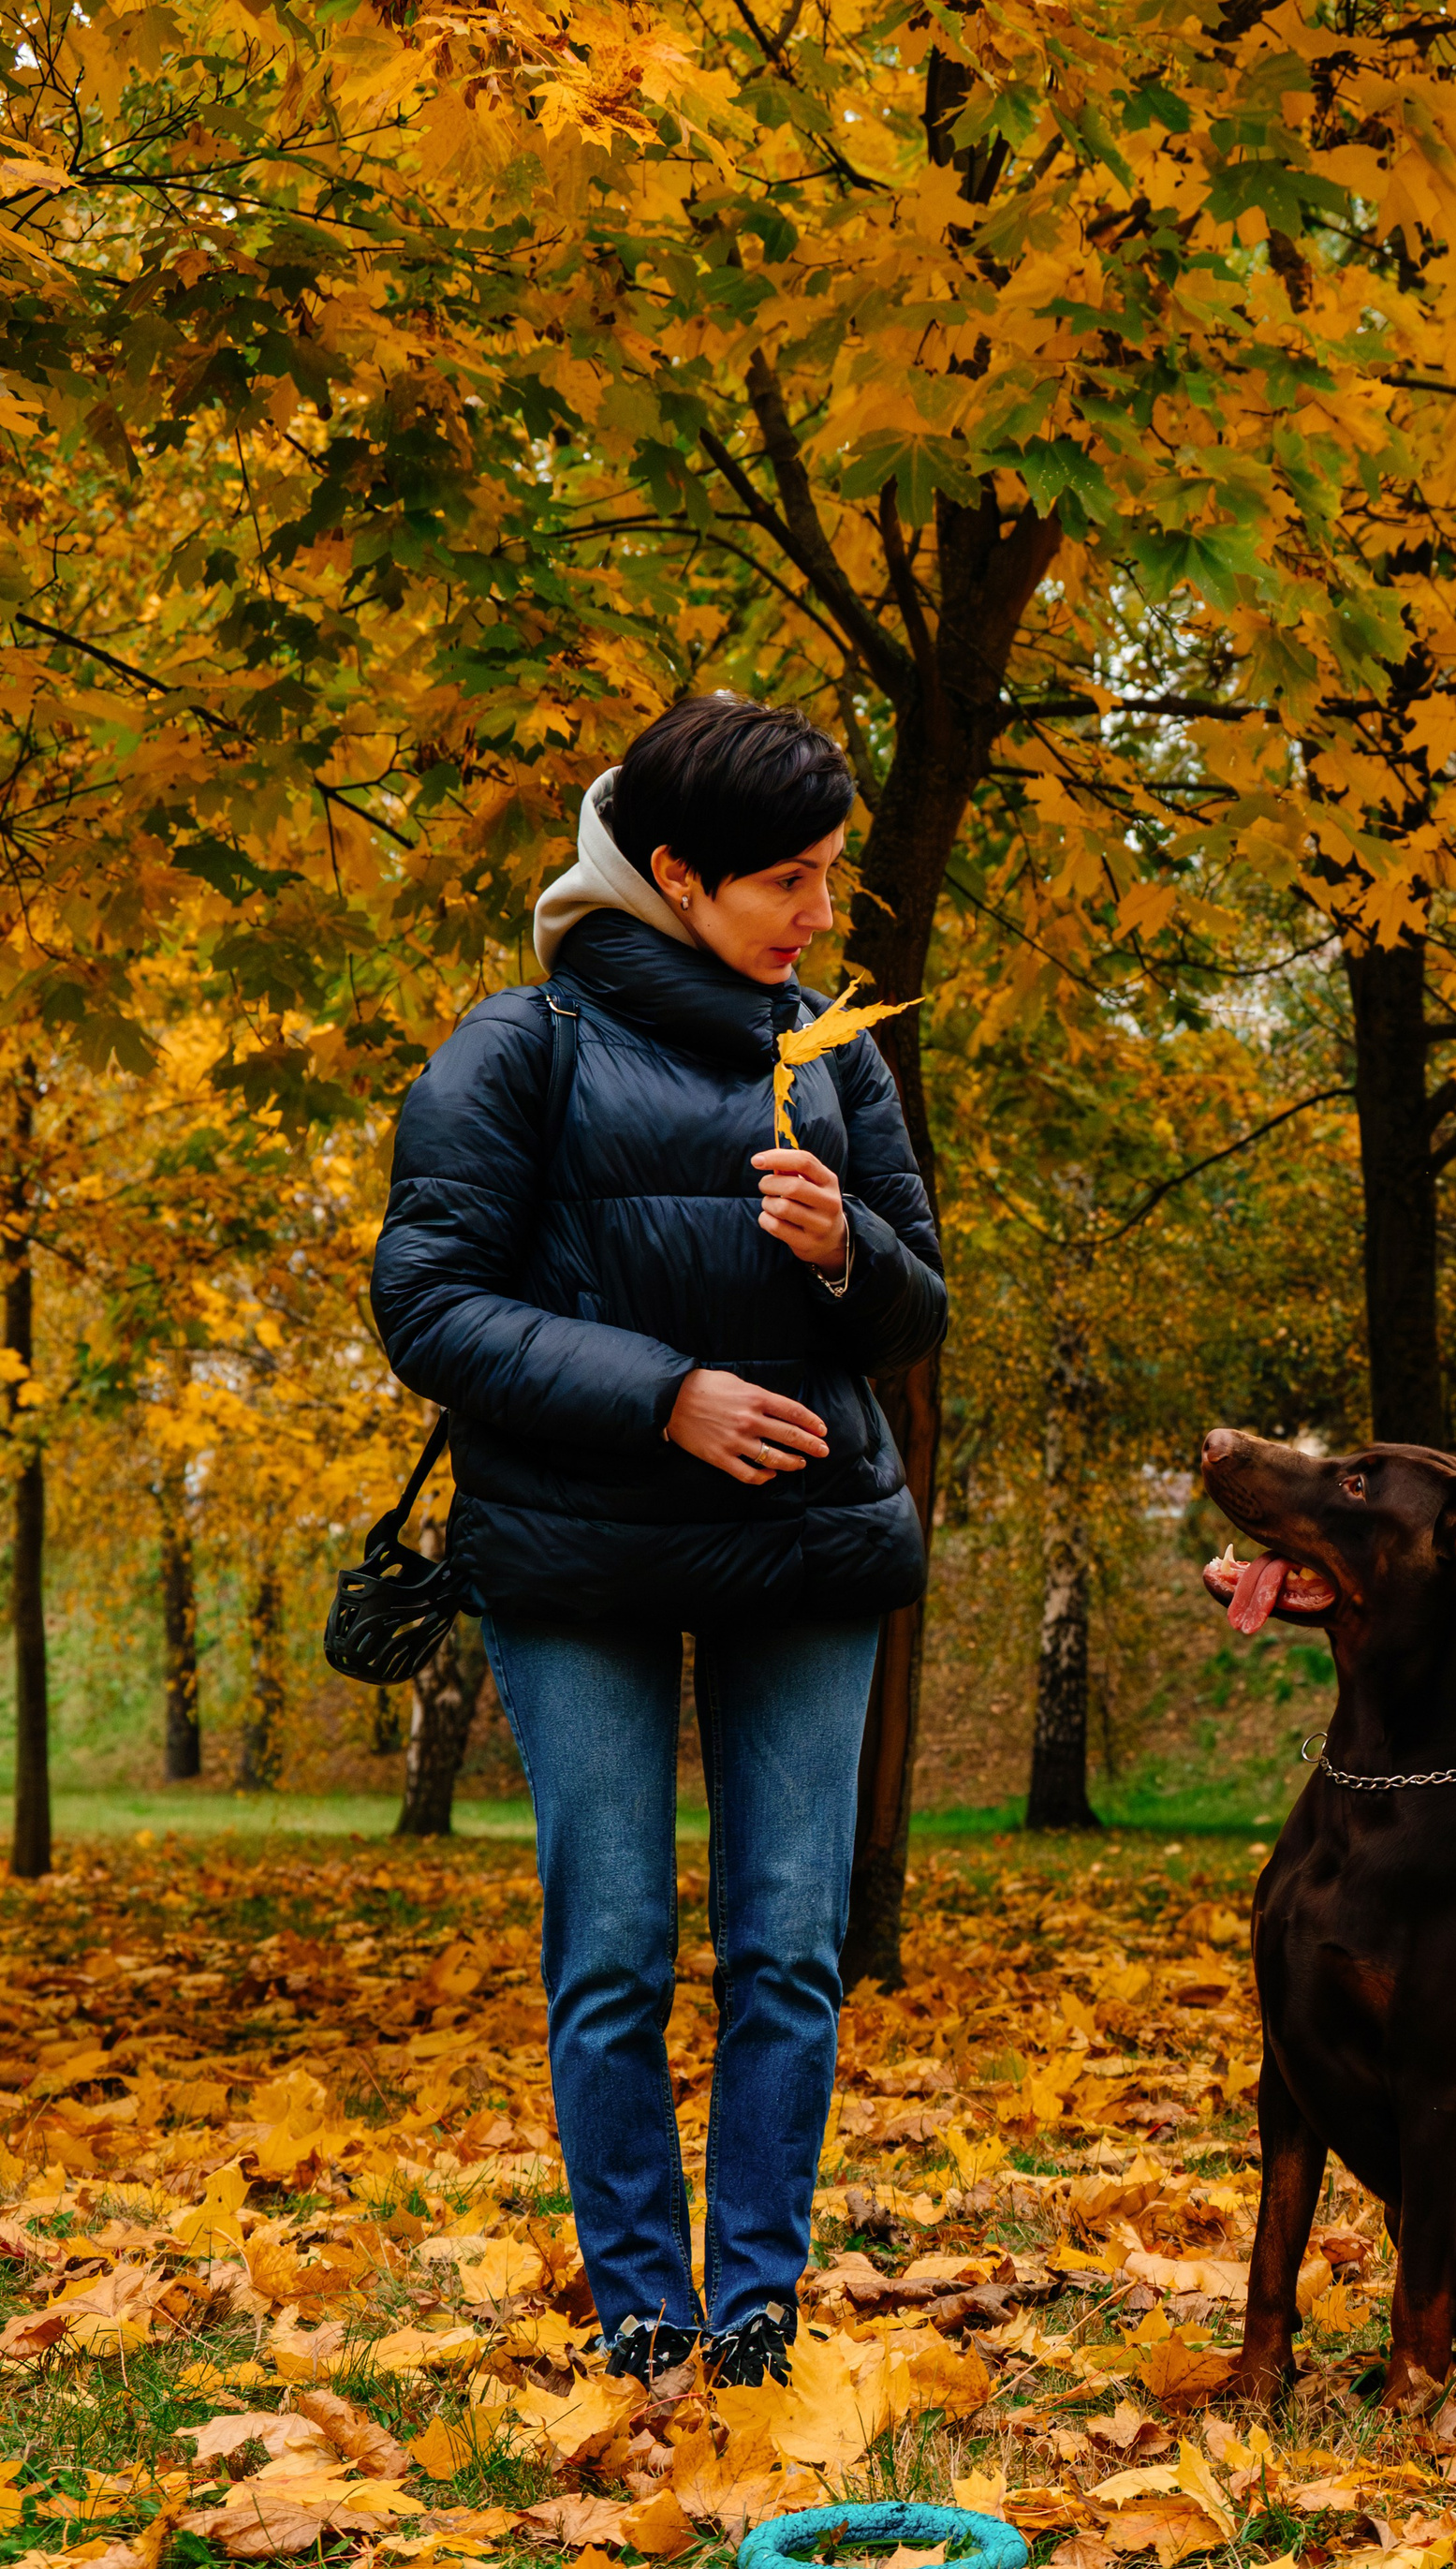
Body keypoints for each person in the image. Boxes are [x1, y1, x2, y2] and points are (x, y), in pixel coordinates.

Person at [371, 693, 946, 2387]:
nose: (822, 916)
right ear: (676, 873)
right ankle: (641, 2308)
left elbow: (915, 1304)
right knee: (611, 1944)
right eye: (790, 880)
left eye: (833, 877)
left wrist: (848, 1254)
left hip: (811, 1549)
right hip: (578, 1557)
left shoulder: (833, 1049)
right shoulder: (518, 1047)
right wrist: (666, 1392)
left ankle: (755, 2303)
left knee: (788, 1940)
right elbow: (426, 1300)